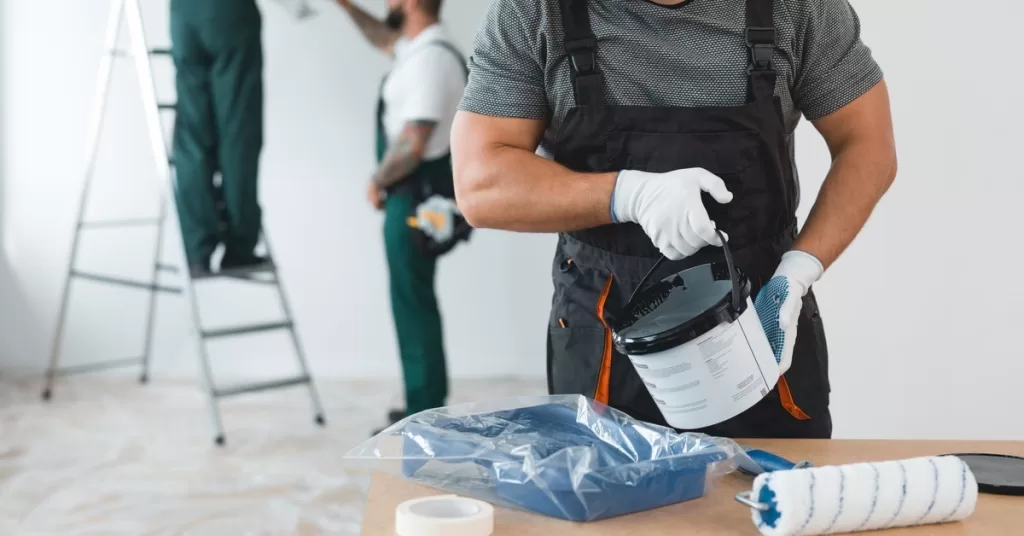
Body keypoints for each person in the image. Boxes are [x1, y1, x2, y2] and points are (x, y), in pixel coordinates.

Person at [452, 0, 897, 438]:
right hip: (608, 335)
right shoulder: (533, 11)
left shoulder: (798, 8)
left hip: (757, 321)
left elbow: (867, 144)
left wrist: (798, 272)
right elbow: (480, 183)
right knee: (618, 504)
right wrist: (627, 194)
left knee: (774, 501)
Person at [335, 0, 468, 427]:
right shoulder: (417, 49)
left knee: (413, 304)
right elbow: (384, 37)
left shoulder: (430, 59)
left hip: (412, 197)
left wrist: (377, 180)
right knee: (412, 300)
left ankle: (424, 413)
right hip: (410, 197)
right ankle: (420, 403)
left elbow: (414, 139)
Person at [170, 0, 269, 276]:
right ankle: (239, 247)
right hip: (228, 12)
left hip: (184, 15)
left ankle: (197, 251)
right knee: (238, 135)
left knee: (191, 136)